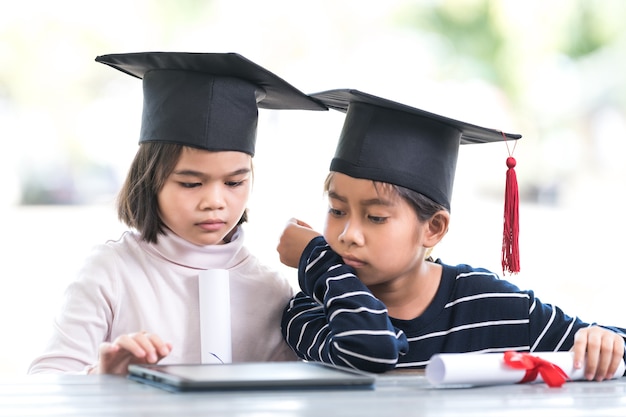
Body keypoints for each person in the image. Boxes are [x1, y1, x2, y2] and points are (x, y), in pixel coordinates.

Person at [277, 89, 626, 381]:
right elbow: (370, 350)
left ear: (433, 228)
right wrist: (318, 262)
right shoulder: (314, 307)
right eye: (337, 211)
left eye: (376, 217)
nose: (349, 234)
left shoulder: (493, 305)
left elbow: (612, 346)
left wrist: (604, 342)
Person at [28, 52, 327, 375]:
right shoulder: (112, 271)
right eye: (191, 183)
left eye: (234, 182)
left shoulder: (269, 289)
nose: (215, 201)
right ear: (150, 179)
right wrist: (101, 375)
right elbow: (46, 381)